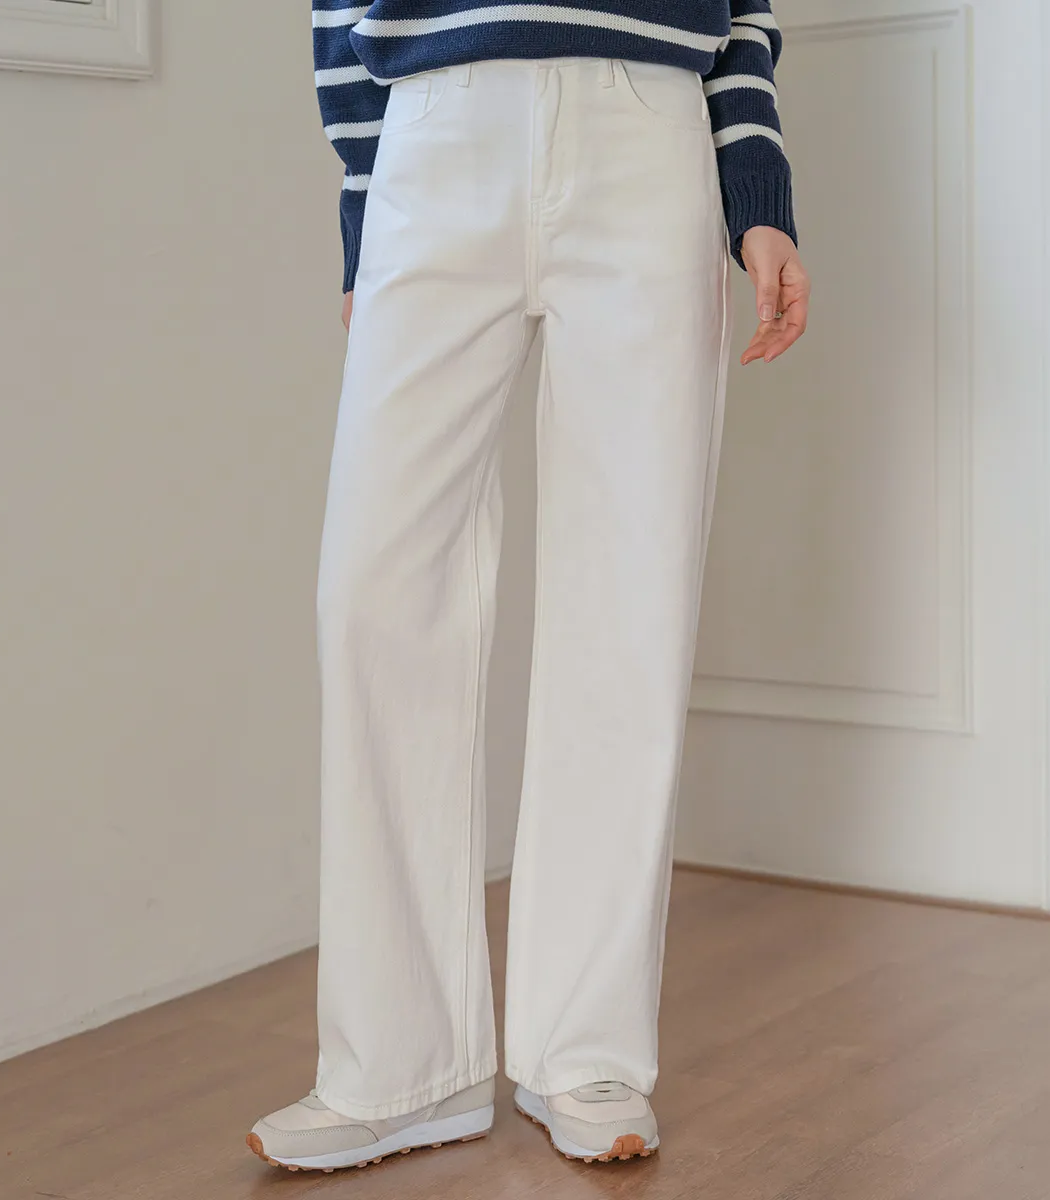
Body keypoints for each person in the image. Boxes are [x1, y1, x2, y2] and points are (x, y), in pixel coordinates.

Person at [248, 0, 810, 1173]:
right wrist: (365, 202)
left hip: (650, 124)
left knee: (631, 595)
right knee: (374, 593)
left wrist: (754, 183)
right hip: (434, 124)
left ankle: (585, 1050)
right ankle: (398, 1065)